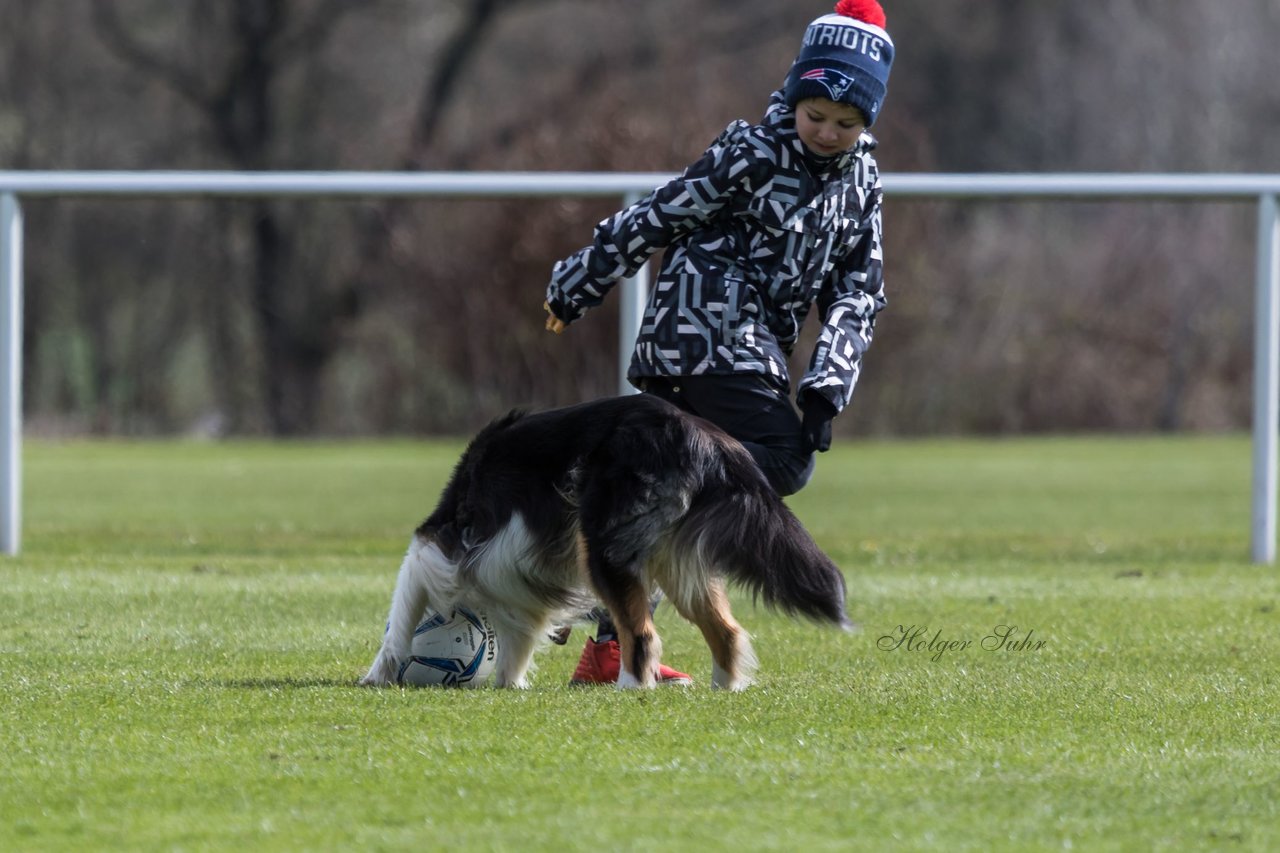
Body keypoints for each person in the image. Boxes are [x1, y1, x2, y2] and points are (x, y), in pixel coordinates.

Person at [543, 0, 894, 686]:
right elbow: (661, 213)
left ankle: (605, 643)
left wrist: (827, 384)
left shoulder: (863, 183)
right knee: (785, 462)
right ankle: (653, 536)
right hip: (702, 333)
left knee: (666, 484)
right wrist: (578, 281)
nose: (826, 132)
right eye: (814, 114)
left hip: (753, 345)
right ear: (793, 95)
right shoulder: (751, 150)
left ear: (867, 122)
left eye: (846, 124)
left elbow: (861, 289)